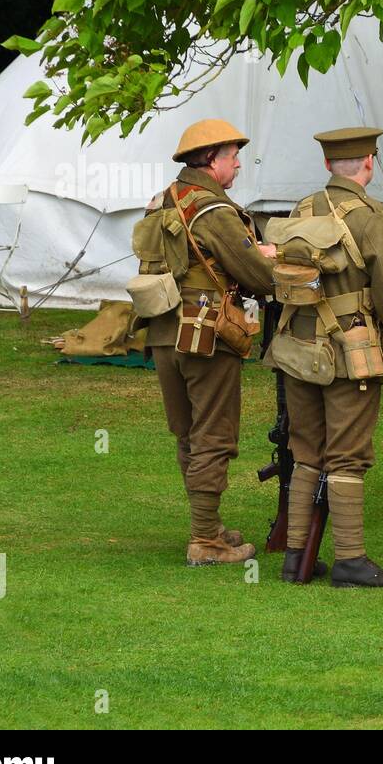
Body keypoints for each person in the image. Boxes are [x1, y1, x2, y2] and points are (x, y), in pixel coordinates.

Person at [265, 128, 383, 587]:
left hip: (297, 347)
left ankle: (296, 556)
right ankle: (350, 560)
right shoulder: (369, 216)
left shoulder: (301, 210)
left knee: (306, 450)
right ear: (369, 162)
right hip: (351, 353)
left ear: (328, 165)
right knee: (347, 455)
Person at [134, 119, 278, 566]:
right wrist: (266, 257)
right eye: (233, 156)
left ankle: (208, 526)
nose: (237, 163)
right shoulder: (212, 210)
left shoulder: (163, 201)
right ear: (212, 161)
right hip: (205, 333)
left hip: (162, 331)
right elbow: (259, 276)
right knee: (214, 436)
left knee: (189, 433)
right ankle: (205, 541)